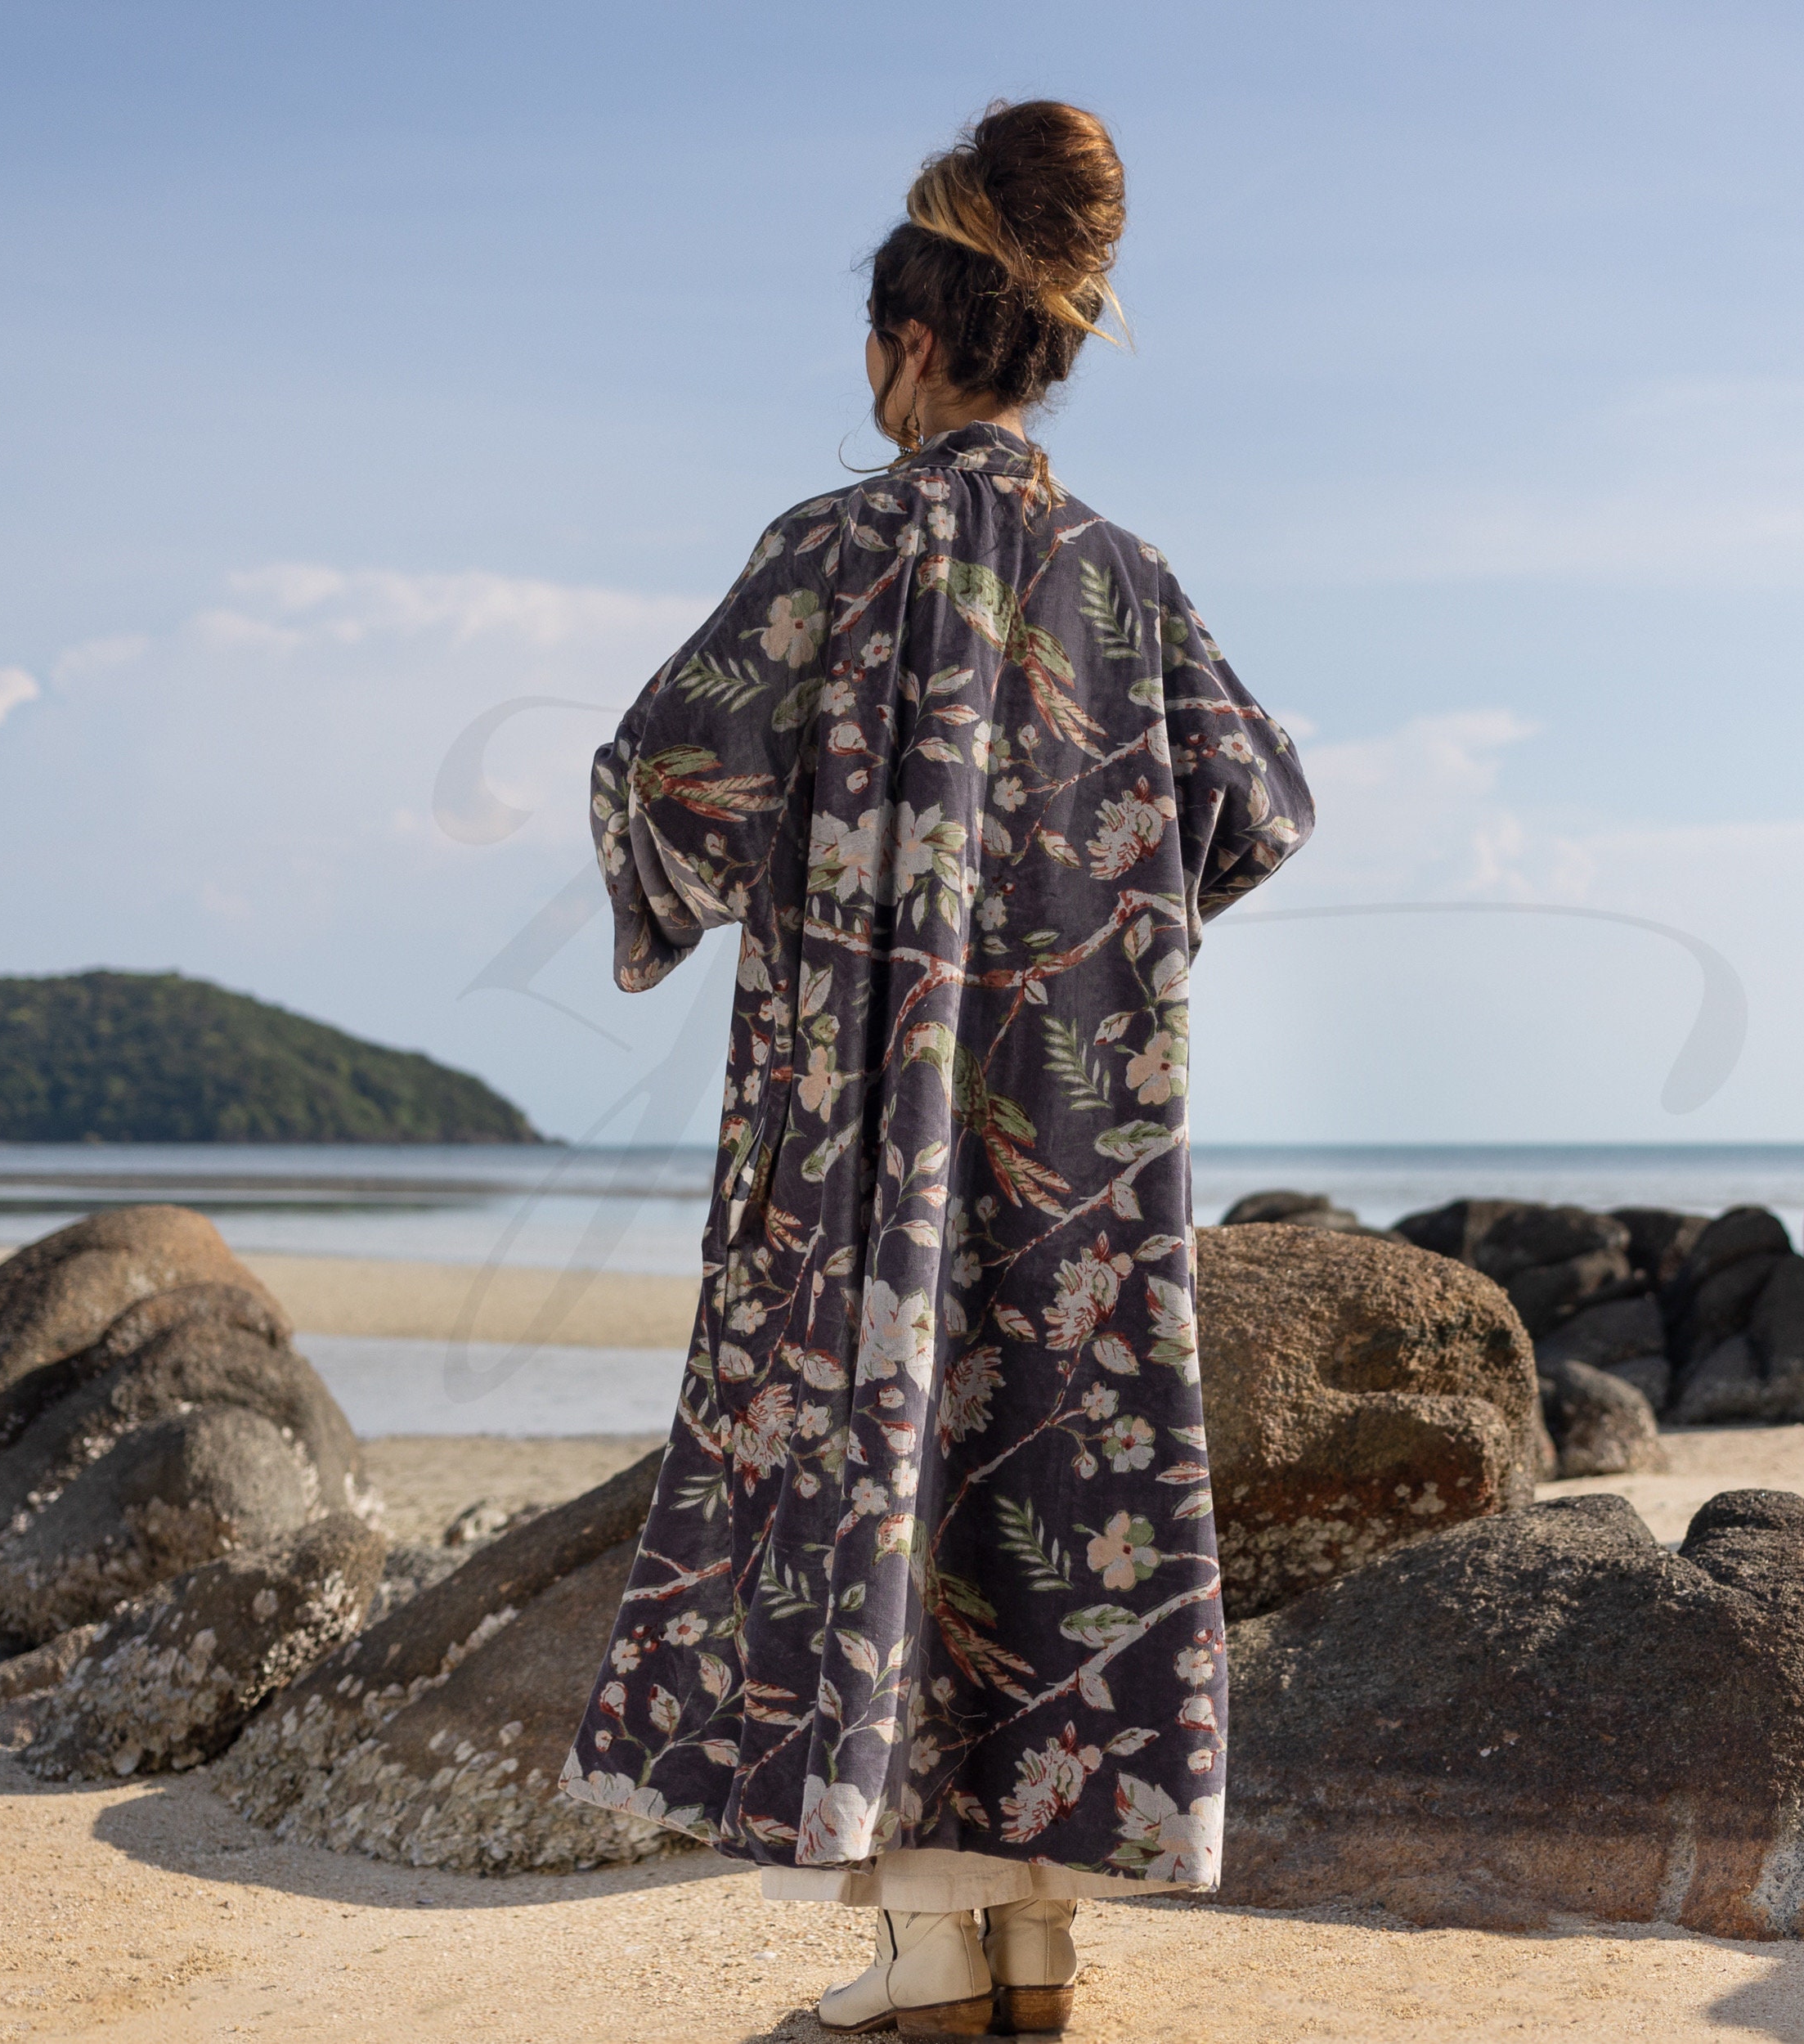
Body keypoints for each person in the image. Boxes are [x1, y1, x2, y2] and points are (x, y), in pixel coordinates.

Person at [563, 98, 1313, 2038]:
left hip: (859, 1131)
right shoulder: (1126, 575)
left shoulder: (828, 550)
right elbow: (1260, 803)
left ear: (907, 346)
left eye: (873, 352)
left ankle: (918, 1958)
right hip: (1081, 1130)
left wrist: (791, 872)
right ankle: (1037, 1948)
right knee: (1054, 1466)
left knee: (875, 1472)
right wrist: (1098, 925)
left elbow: (665, 781)